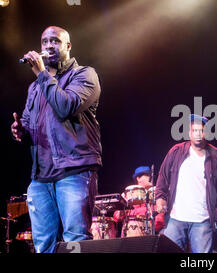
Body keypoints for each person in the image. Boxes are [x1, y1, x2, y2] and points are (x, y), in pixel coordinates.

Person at [10, 26, 102, 253]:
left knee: (76, 240)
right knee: (43, 245)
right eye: (44, 42)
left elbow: (65, 107)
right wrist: (20, 130)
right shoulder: (35, 87)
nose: (49, 46)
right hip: (40, 177)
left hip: (74, 170)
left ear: (68, 46)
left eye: (55, 41)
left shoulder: (84, 75)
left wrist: (42, 74)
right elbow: (30, 121)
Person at [155, 114, 217, 253]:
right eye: (194, 130)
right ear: (189, 133)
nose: (198, 134)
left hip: (203, 220)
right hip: (176, 217)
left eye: (201, 131)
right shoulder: (176, 151)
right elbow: (162, 177)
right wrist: (160, 197)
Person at [113, 166, 165, 235]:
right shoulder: (129, 194)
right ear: (138, 178)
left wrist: (134, 212)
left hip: (155, 231)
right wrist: (123, 213)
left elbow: (160, 218)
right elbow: (116, 216)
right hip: (132, 230)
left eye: (151, 175)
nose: (151, 178)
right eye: (147, 175)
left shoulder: (157, 192)